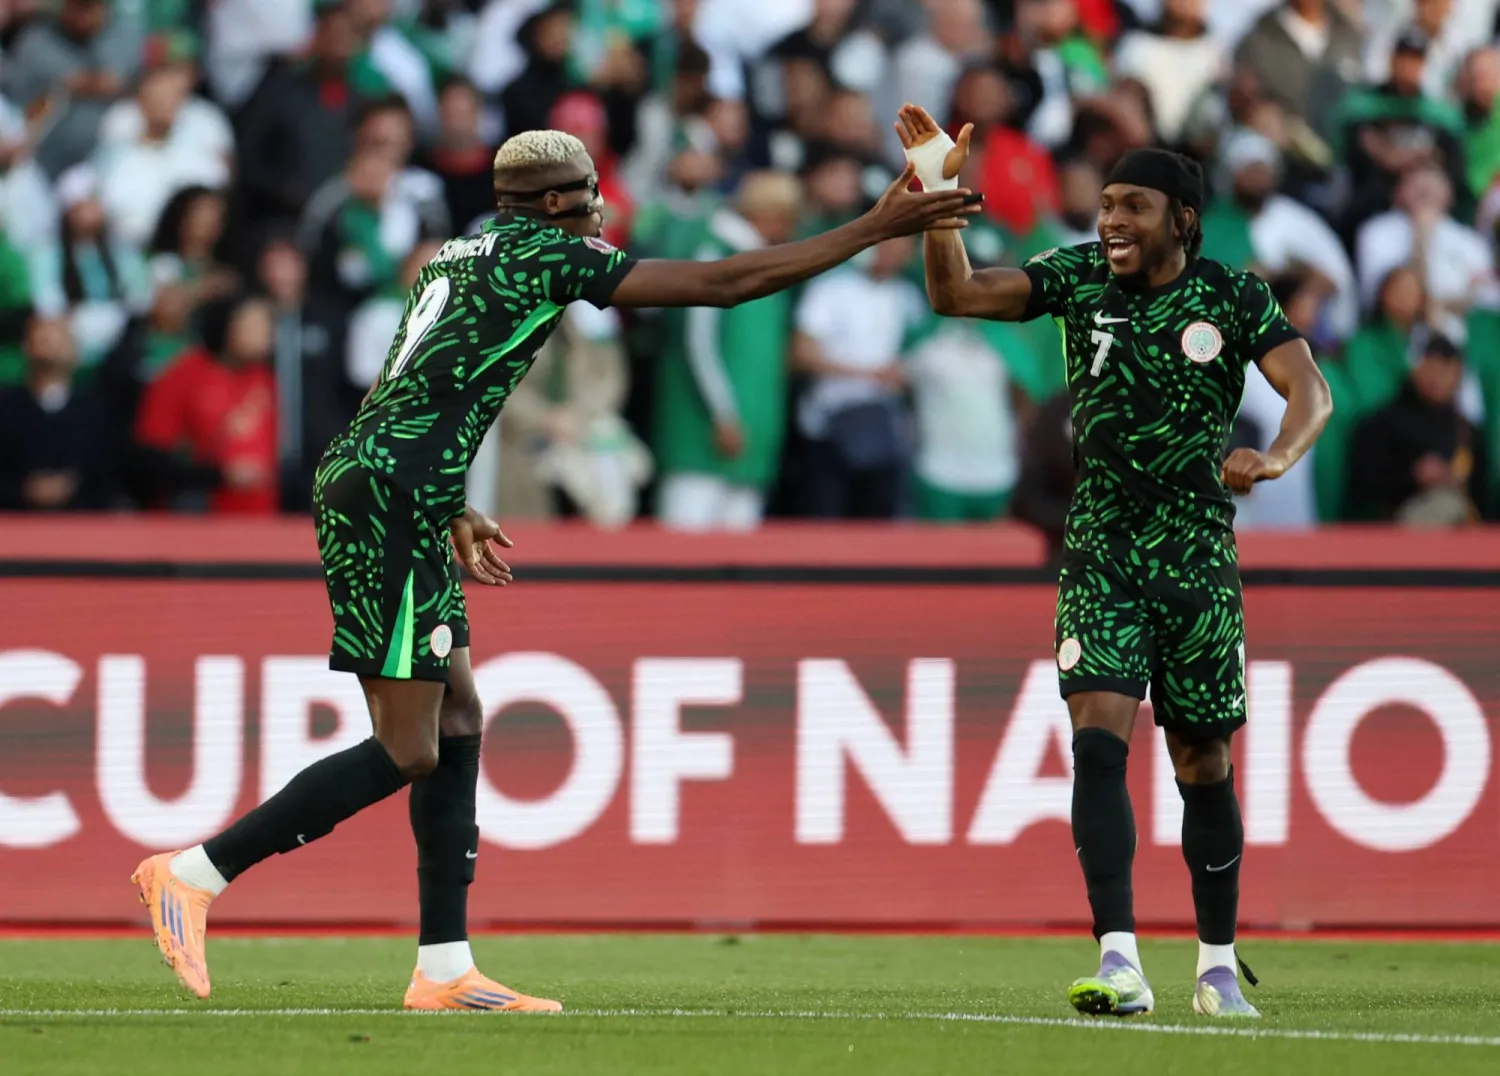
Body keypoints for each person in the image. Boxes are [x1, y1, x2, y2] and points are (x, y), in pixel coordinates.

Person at [130, 128, 978, 1010]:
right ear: (549, 203)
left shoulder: (460, 251)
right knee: (409, 745)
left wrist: (450, 501)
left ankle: (444, 969)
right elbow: (725, 284)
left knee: (459, 716)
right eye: (587, 190)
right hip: (389, 495)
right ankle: (194, 873)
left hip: (393, 480)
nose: (601, 206)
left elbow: (411, 385)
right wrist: (873, 227)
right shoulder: (546, 255)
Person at [895, 103, 1331, 1019]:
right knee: (1097, 742)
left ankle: (1216, 969)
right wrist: (936, 196)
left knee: (1202, 758)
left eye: (1133, 206)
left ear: (1183, 219)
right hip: (1100, 549)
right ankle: (1120, 960)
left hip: (1197, 554)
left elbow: (1310, 391)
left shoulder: (1233, 296)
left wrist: (1275, 457)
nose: (1111, 222)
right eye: (1104, 206)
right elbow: (956, 295)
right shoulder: (1077, 277)